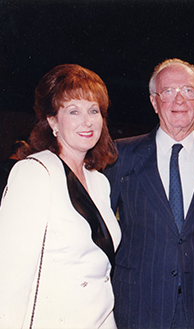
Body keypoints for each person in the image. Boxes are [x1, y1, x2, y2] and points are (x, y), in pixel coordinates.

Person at [104, 58, 194, 329]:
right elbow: (102, 233)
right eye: (168, 91)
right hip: (137, 303)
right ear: (154, 102)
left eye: (188, 90)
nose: (180, 99)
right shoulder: (122, 155)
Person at [0, 64, 121, 328]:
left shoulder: (100, 182)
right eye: (74, 111)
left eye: (94, 111)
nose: (87, 121)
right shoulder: (34, 173)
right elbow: (9, 278)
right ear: (53, 121)